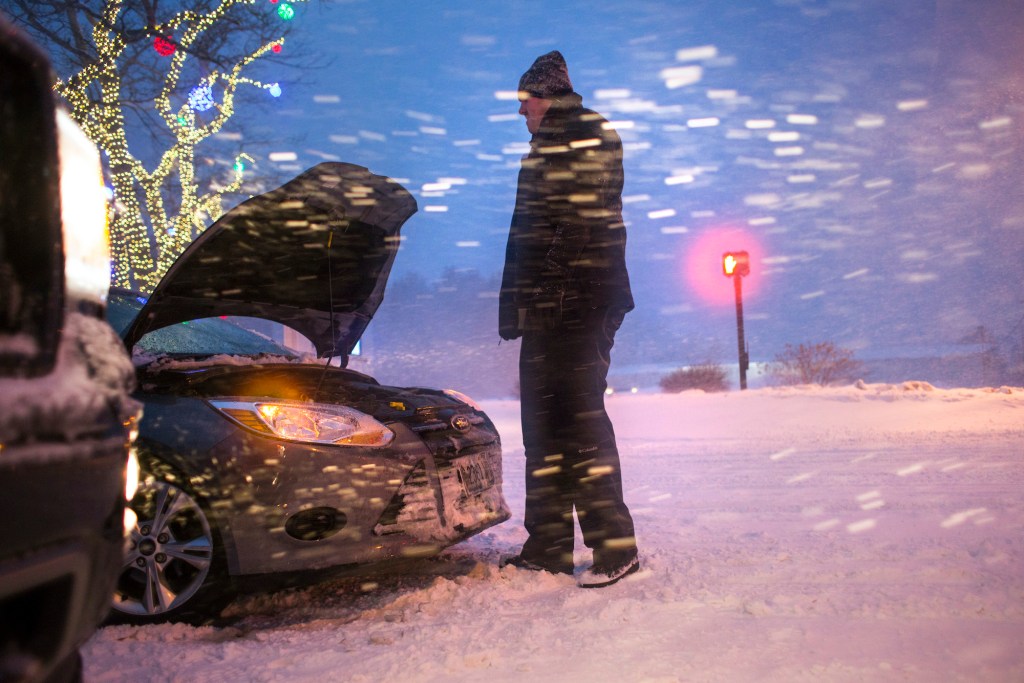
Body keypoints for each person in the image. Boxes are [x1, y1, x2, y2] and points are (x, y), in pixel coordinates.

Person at [498, 50, 639, 588]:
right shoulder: (547, 147)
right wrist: (524, 303)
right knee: (543, 423)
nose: (520, 111)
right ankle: (548, 547)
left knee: (578, 420)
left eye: (525, 101)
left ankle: (616, 548)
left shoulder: (586, 136)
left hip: (581, 302)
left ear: (548, 97)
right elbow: (533, 236)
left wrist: (550, 291)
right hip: (549, 306)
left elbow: (580, 221)